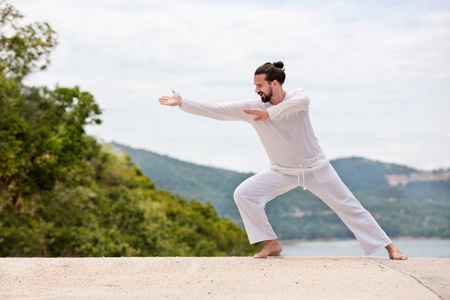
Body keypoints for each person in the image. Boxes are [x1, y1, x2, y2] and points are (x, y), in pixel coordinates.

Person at [159, 61, 407, 260]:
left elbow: (301, 102)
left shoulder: (297, 97)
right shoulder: (252, 106)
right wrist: (183, 103)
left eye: (259, 85)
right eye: (255, 86)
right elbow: (220, 110)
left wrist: (269, 113)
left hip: (316, 168)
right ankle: (271, 242)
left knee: (350, 206)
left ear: (274, 83)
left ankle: (390, 247)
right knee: (244, 194)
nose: (256, 90)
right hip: (282, 172)